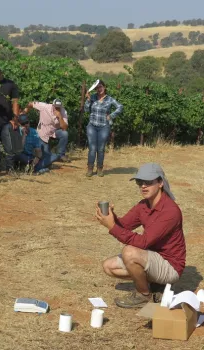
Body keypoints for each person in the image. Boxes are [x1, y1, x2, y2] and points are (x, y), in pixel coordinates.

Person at [96, 163, 185, 308]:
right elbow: (124, 225)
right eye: (139, 182)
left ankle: (143, 295)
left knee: (129, 252)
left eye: (148, 182)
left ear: (161, 183)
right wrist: (112, 218)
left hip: (170, 266)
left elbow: (143, 242)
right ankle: (156, 285)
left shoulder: (170, 211)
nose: (143, 186)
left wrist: (111, 226)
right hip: (152, 257)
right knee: (109, 267)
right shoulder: (144, 205)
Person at [84, 79, 123, 177]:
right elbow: (85, 110)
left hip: (104, 126)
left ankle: (100, 169)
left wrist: (111, 116)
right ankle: (90, 169)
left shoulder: (109, 99)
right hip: (92, 125)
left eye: (100, 87)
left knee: (101, 149)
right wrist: (88, 100)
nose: (99, 89)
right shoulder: (92, 97)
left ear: (104, 87)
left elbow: (120, 107)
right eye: (97, 88)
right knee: (92, 148)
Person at [23, 98, 69, 163]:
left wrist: (60, 116)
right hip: (43, 134)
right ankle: (51, 156)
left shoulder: (63, 112)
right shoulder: (44, 106)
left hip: (54, 132)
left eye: (59, 107)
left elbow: (64, 128)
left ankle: (61, 155)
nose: (57, 109)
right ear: (52, 105)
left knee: (65, 134)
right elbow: (31, 103)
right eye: (56, 107)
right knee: (47, 157)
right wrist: (25, 111)